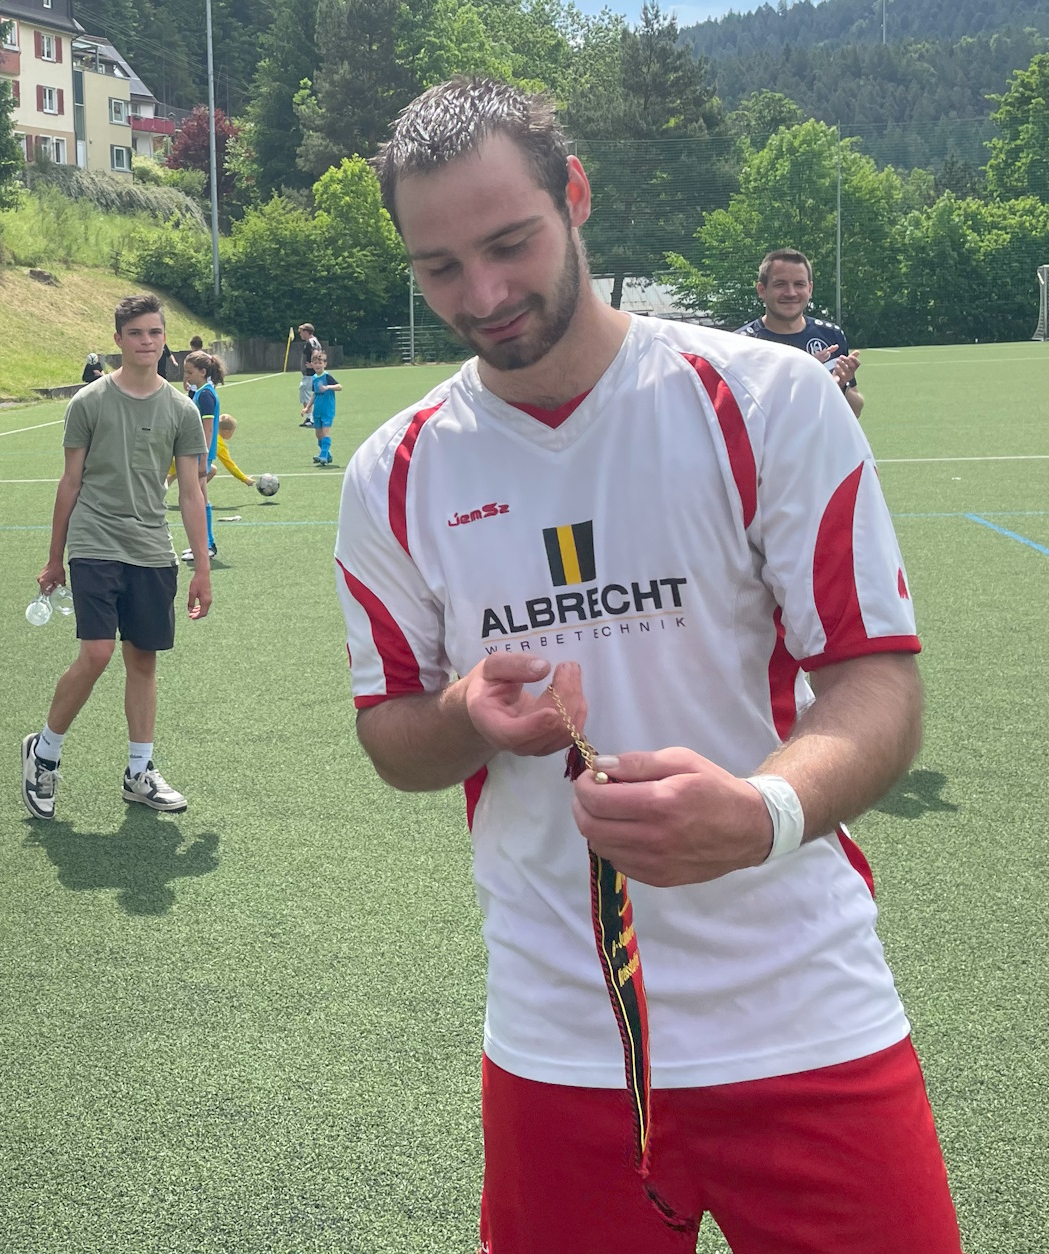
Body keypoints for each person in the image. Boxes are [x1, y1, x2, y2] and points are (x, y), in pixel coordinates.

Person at [337, 77, 954, 1253]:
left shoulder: (766, 400)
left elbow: (877, 682)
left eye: (508, 244)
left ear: (575, 196)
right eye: (438, 268)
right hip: (559, 1042)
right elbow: (390, 738)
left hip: (805, 1016)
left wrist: (762, 812)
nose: (483, 294)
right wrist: (467, 713)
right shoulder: (395, 473)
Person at [22, 293, 211, 821]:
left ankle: (139, 772)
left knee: (143, 660)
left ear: (164, 338)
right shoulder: (89, 402)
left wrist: (202, 567)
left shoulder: (182, 409)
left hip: (152, 546)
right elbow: (70, 481)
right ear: (118, 341)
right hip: (94, 541)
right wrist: (53, 556)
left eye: (155, 332)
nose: (147, 342)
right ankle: (44, 756)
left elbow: (192, 493)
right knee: (98, 653)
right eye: (136, 334)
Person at [736, 248, 864, 418]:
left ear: (810, 289)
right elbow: (740, 416)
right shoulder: (742, 344)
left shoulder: (830, 336)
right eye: (780, 284)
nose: (791, 293)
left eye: (799, 284)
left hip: (820, 444)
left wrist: (839, 386)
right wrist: (803, 372)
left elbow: (855, 411)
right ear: (762, 290)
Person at [179, 350, 224, 560]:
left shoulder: (206, 394)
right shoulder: (201, 392)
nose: (186, 375)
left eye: (190, 371)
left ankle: (206, 545)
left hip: (200, 453)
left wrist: (204, 458)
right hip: (196, 452)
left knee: (197, 499)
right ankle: (202, 544)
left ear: (203, 371)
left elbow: (207, 429)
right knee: (200, 499)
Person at [303, 350, 341, 466]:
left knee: (325, 433)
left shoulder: (327, 376)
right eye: (315, 363)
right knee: (318, 434)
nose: (318, 365)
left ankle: (323, 456)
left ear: (325, 364)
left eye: (320, 363)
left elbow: (339, 387)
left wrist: (328, 387)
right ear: (312, 365)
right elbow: (314, 394)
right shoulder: (314, 378)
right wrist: (307, 408)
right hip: (317, 411)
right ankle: (326, 454)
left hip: (327, 410)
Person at [293, 323, 323, 425]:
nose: (300, 334)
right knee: (305, 391)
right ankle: (311, 418)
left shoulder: (311, 341)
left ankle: (311, 418)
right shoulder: (314, 341)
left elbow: (315, 353)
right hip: (309, 374)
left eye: (301, 332)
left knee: (306, 392)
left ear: (306, 332)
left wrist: (313, 364)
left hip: (309, 374)